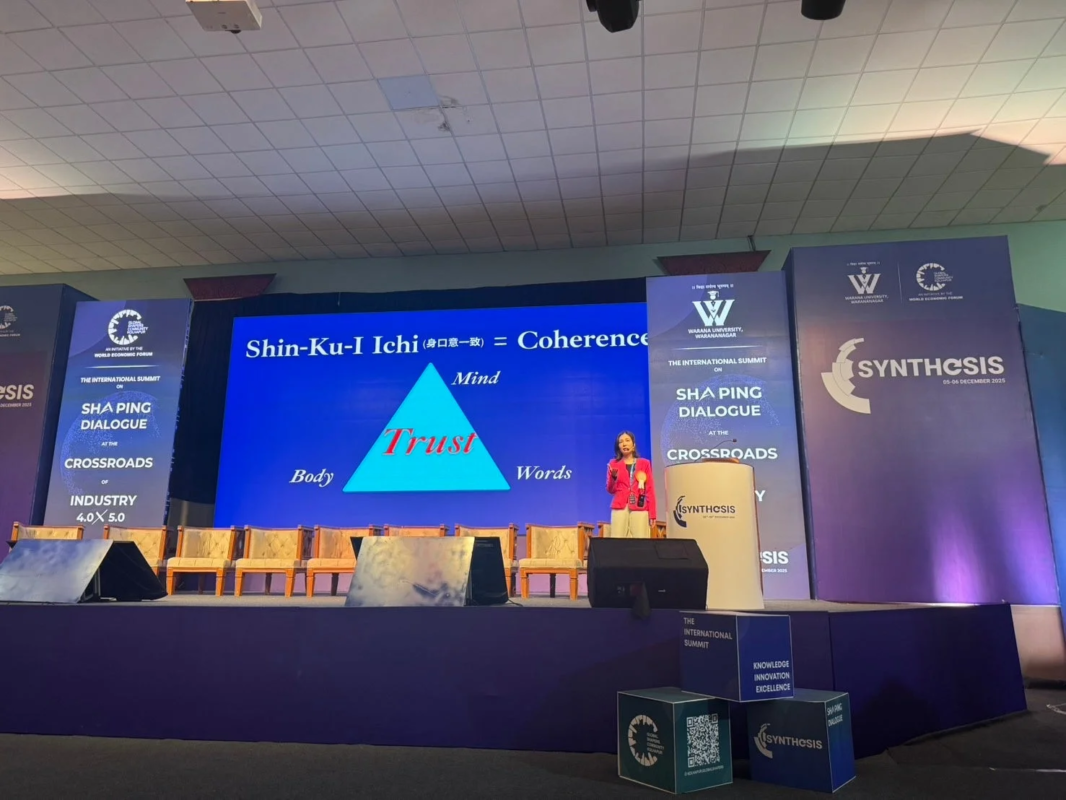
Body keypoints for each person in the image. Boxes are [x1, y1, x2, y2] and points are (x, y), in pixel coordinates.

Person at [606, 431, 656, 538]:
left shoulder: (644, 463)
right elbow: (610, 490)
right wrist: (613, 477)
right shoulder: (613, 464)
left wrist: (652, 514)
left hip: (639, 505)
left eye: (627, 440)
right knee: (617, 539)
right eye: (621, 442)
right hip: (620, 506)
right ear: (618, 446)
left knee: (641, 540)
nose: (624, 444)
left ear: (633, 445)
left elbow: (650, 489)